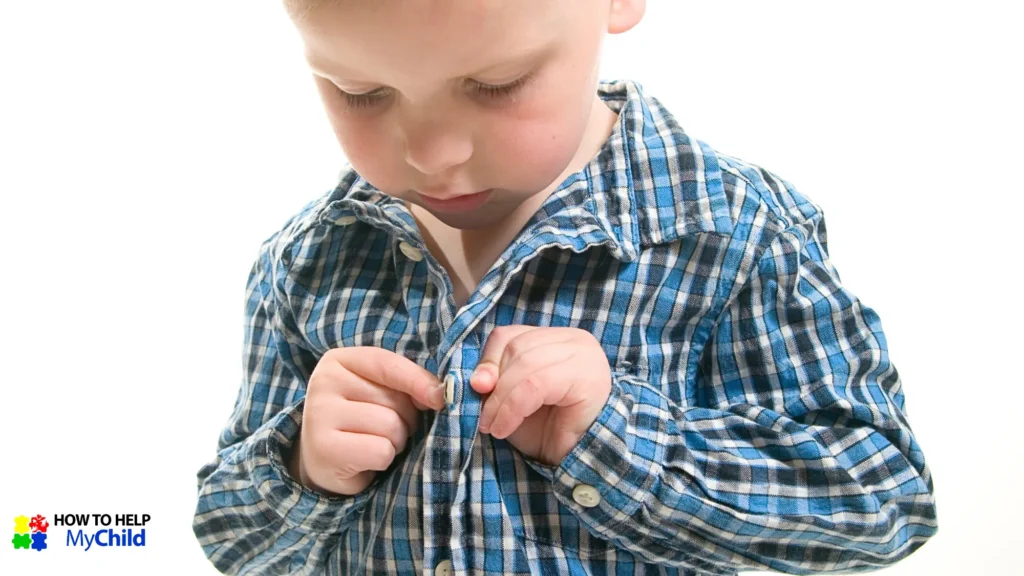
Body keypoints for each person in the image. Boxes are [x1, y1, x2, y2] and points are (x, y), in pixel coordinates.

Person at [192, 0, 938, 574]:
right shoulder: (307, 260)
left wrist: (615, 439)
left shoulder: (730, 232)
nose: (432, 153)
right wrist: (304, 470)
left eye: (495, 84)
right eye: (360, 92)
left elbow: (883, 500)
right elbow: (231, 535)